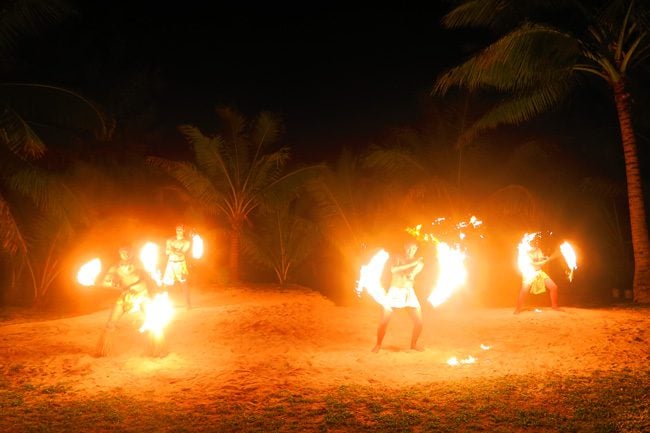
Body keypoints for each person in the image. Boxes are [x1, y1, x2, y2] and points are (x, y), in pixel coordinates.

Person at [96, 246, 153, 356]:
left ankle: (155, 349)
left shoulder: (139, 264)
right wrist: (109, 283)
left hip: (141, 295)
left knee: (152, 320)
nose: (125, 254)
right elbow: (106, 282)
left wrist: (136, 287)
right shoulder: (115, 267)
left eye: (128, 252)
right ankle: (103, 351)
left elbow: (147, 279)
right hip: (125, 296)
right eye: (123, 252)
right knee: (111, 323)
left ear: (132, 253)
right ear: (119, 253)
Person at [372, 240, 425, 353]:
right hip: (395, 291)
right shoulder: (398, 258)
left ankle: (414, 344)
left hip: (409, 292)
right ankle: (378, 344)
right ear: (405, 248)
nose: (411, 251)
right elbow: (394, 269)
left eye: (414, 249)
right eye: (409, 248)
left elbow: (413, 273)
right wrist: (411, 265)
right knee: (384, 321)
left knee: (419, 322)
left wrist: (412, 274)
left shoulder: (419, 263)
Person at [514, 243, 561, 314]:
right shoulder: (525, 252)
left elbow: (541, 258)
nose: (535, 245)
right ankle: (518, 308)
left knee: (553, 287)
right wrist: (544, 261)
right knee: (524, 291)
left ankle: (554, 306)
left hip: (539, 272)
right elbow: (533, 264)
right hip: (529, 273)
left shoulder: (538, 250)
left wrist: (545, 258)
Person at [163, 224, 192, 309]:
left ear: (184, 231)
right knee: (167, 284)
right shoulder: (170, 240)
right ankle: (169, 303)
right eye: (177, 230)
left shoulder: (186, 242)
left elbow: (181, 253)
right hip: (170, 263)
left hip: (180, 264)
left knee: (184, 283)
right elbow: (166, 252)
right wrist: (174, 250)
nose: (178, 231)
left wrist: (172, 249)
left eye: (180, 230)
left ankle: (188, 304)